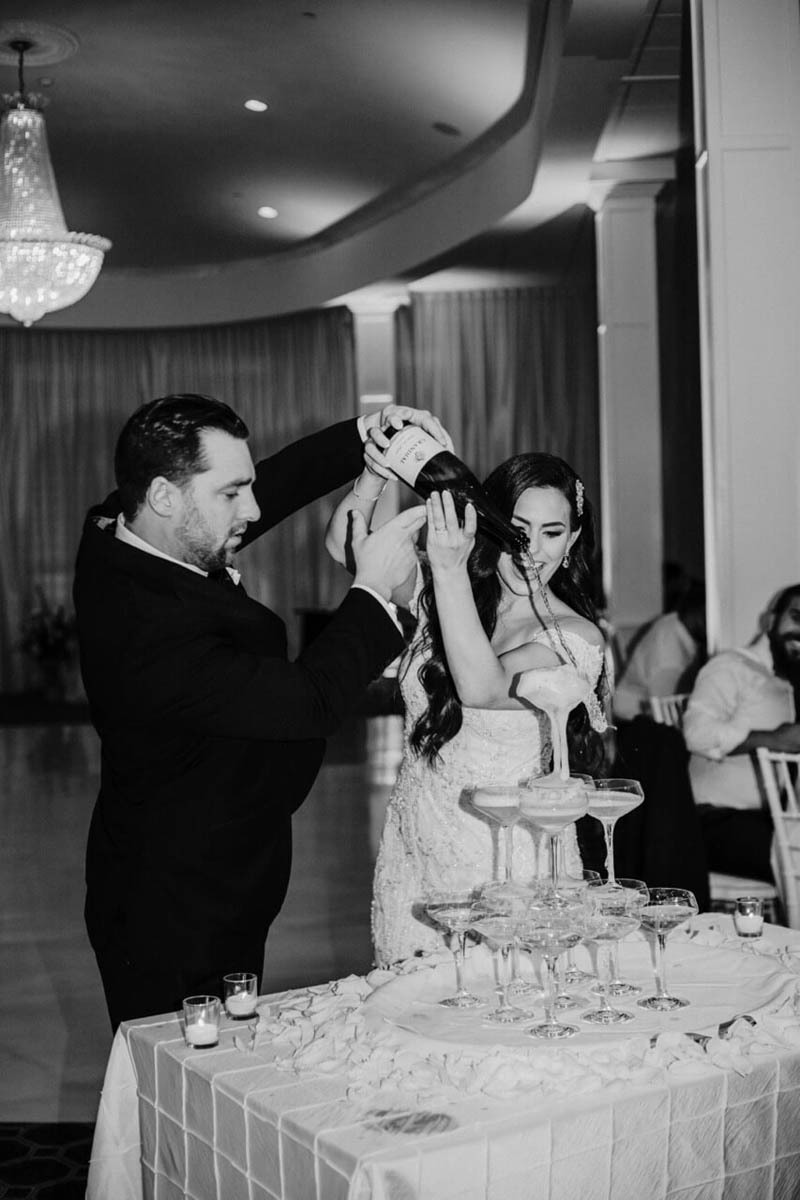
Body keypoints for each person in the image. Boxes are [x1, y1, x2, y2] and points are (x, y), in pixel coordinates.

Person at [74, 393, 447, 1029]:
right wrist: (373, 593)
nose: (251, 507)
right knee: (184, 1087)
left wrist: (364, 436)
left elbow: (259, 486)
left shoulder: (123, 528)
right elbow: (307, 704)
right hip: (175, 905)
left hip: (218, 873)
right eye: (231, 494)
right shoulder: (147, 631)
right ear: (165, 496)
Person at [326, 446, 609, 966]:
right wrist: (374, 475)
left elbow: (481, 689)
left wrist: (449, 568)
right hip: (414, 846)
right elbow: (350, 549)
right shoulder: (450, 599)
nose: (534, 550)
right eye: (520, 529)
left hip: (507, 862)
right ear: (492, 526)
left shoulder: (573, 636)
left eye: (553, 533)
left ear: (572, 541)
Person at [683, 582, 800, 882]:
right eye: (796, 618)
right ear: (770, 621)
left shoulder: (792, 679)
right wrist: (771, 740)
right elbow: (696, 733)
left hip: (777, 820)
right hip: (714, 820)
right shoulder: (730, 667)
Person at [613, 579, 707, 722]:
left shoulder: (674, 621)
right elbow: (664, 715)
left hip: (639, 708)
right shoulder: (670, 659)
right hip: (633, 718)